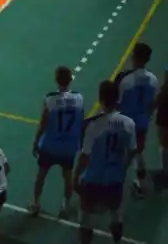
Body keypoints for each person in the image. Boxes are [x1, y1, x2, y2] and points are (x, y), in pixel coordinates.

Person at [74, 80, 137, 244]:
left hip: (93, 178)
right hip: (115, 178)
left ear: (100, 99)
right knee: (116, 213)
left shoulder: (93, 125)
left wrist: (76, 177)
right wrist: (123, 168)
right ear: (117, 99)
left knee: (86, 220)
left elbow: (84, 156)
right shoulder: (129, 123)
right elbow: (132, 151)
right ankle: (117, 240)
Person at [29, 66, 84, 217]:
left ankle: (35, 203)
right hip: (68, 147)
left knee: (41, 175)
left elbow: (43, 124)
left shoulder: (50, 99)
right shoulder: (78, 98)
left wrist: (36, 141)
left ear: (56, 80)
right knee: (67, 177)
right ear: (70, 80)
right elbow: (81, 122)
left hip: (50, 146)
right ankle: (66, 205)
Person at [115, 43, 158, 197]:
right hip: (141, 122)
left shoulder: (124, 79)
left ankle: (116, 184)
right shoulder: (153, 79)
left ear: (136, 57)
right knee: (137, 149)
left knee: (123, 155)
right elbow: (152, 103)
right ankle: (139, 178)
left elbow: (116, 102)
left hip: (125, 123)